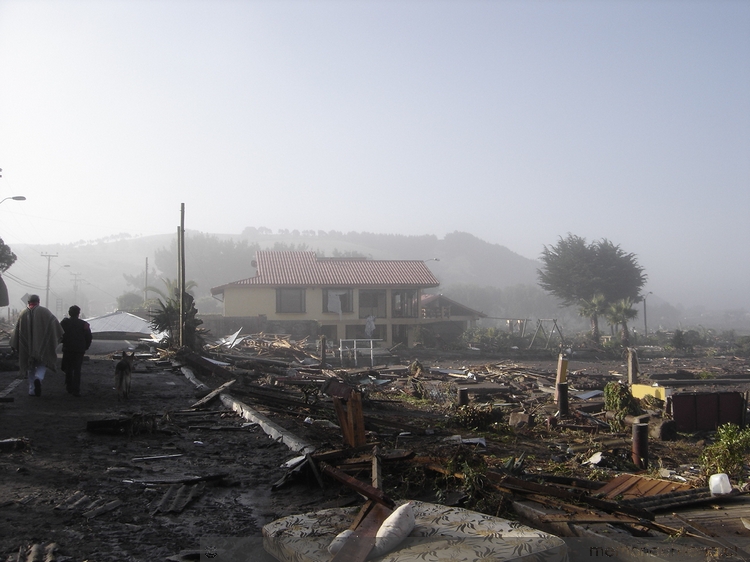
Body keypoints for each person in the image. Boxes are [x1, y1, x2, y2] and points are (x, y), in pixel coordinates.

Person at [10, 294, 64, 397]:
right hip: (42, 347)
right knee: (42, 364)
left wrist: (14, 345)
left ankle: (31, 390)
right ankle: (38, 378)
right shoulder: (45, 312)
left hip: (27, 348)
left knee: (30, 367)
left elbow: (16, 332)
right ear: (38, 301)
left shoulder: (23, 313)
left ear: (28, 302)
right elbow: (55, 326)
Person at [60, 305, 93, 396]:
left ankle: (69, 386)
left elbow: (59, 334)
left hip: (68, 349)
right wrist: (85, 347)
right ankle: (76, 389)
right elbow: (89, 337)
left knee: (68, 368)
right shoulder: (84, 324)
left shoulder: (64, 323)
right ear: (79, 314)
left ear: (69, 313)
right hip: (79, 350)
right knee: (77, 369)